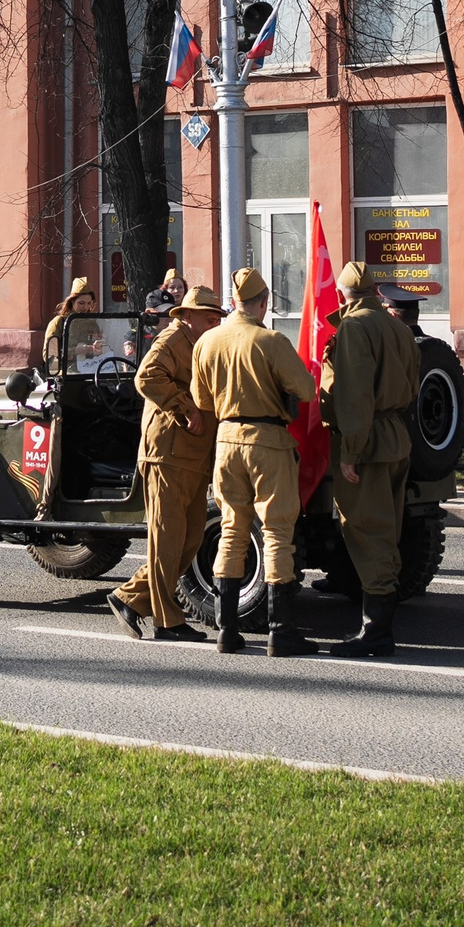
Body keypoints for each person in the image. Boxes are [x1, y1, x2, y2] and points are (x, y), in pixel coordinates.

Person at [190, 266, 318, 657]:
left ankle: (227, 632)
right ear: (264, 303)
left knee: (232, 530)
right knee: (277, 532)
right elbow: (307, 389)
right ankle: (282, 632)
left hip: (226, 440)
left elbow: (202, 401)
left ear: (233, 302)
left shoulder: (207, 342)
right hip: (267, 442)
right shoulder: (271, 340)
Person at [108, 283, 224, 644]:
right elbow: (146, 377)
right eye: (208, 318)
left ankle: (130, 597)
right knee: (168, 537)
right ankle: (167, 620)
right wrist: (184, 407)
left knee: (188, 538)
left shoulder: (197, 341)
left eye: (216, 318)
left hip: (188, 453)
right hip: (168, 453)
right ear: (186, 316)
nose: (214, 324)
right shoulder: (174, 340)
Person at [320, 261, 420, 658]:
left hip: (368, 442)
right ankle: (376, 623)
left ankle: (376, 633)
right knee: (387, 529)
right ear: (375, 291)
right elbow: (411, 385)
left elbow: (355, 396)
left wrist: (351, 452)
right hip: (395, 435)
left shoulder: (355, 328)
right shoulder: (398, 326)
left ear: (343, 294)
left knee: (368, 529)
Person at [40, 278, 96, 369]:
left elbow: (99, 345)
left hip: (91, 370)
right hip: (67, 373)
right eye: (81, 303)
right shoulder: (59, 322)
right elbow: (49, 355)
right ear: (72, 301)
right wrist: (75, 351)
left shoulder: (92, 323)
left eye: (89, 303)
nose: (85, 307)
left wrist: (98, 348)